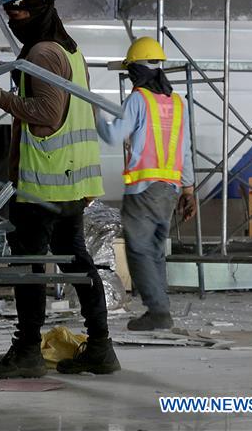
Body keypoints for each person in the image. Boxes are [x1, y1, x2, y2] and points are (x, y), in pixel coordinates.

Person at [0, 0, 120, 378]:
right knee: (76, 262)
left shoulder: (43, 52)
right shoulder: (68, 48)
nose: (11, 19)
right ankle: (101, 348)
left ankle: (27, 352)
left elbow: (47, 116)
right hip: (71, 179)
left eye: (15, 12)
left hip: (46, 182)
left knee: (31, 266)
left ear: (33, 7)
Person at [95, 37, 196, 330]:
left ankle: (157, 311)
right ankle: (159, 308)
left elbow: (114, 137)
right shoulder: (178, 102)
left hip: (143, 190)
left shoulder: (139, 99)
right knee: (154, 250)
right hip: (169, 190)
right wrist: (188, 190)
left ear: (136, 71)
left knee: (138, 250)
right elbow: (185, 150)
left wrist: (96, 115)